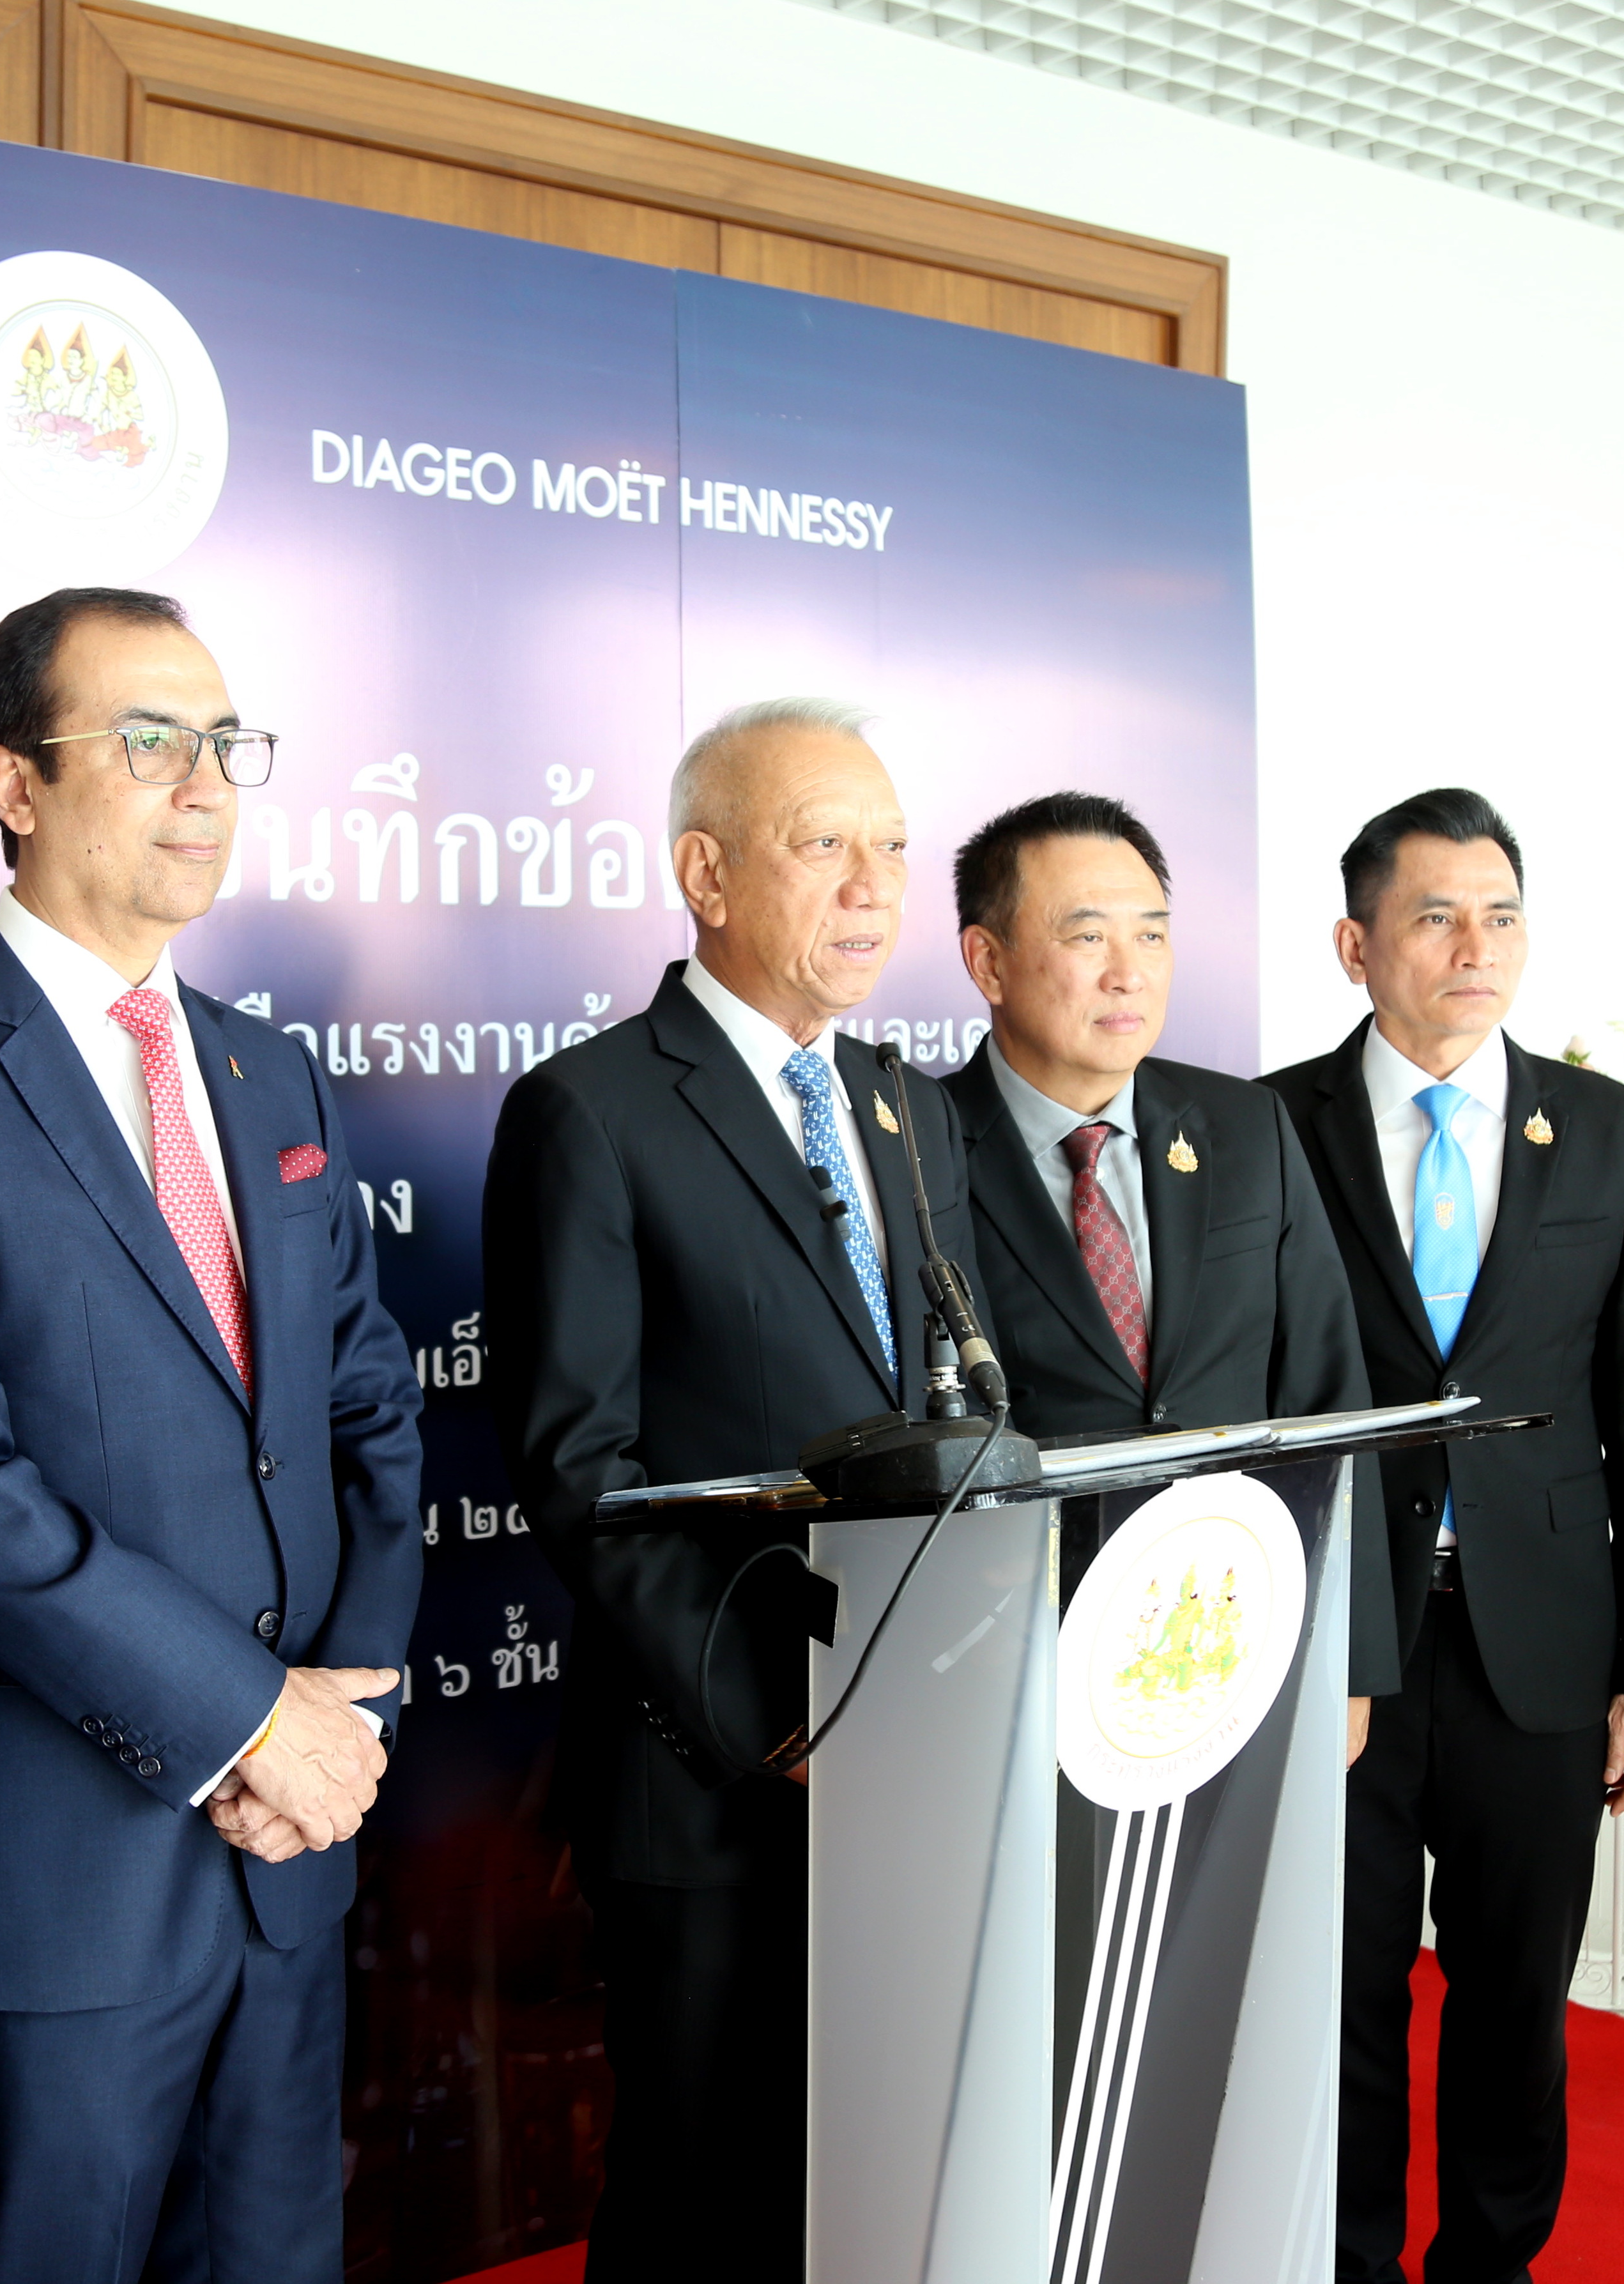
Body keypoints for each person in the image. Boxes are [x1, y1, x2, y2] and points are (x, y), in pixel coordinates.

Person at [0, 588, 422, 2284]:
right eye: (148, 742)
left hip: (293, 1856)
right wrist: (248, 1725)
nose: (204, 785)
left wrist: (341, 1719)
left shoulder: (272, 1077)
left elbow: (366, 1410)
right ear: (15, 781)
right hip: (61, 1881)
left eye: (224, 743)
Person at [482, 696, 988, 2284]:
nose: (873, 886)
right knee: (703, 2195)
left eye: (890, 847)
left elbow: (958, 1412)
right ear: (705, 873)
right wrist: (785, 1720)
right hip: (713, 1768)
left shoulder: (908, 1106)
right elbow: (582, 1472)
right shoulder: (593, 1109)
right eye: (823, 843)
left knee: (870, 2182)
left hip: (914, 1751)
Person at [1258, 788, 1624, 2284]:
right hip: (1339, 1648)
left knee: (1517, 1996)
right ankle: (1344, 2261)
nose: (1476, 947)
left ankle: (1492, 2266)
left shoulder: (1610, 1134)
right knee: (1340, 1990)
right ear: (1355, 945)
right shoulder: (1266, 1129)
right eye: (1437, 917)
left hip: (1545, 1640)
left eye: (1501, 915)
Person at [943, 792, 1382, 1747]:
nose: (1128, 972)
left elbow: (1329, 1400)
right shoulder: (918, 1151)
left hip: (1239, 1643)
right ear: (988, 962)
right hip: (1010, 1671)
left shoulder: (1246, 1126)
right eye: (1087, 936)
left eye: (1150, 934)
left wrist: (1349, 1660)